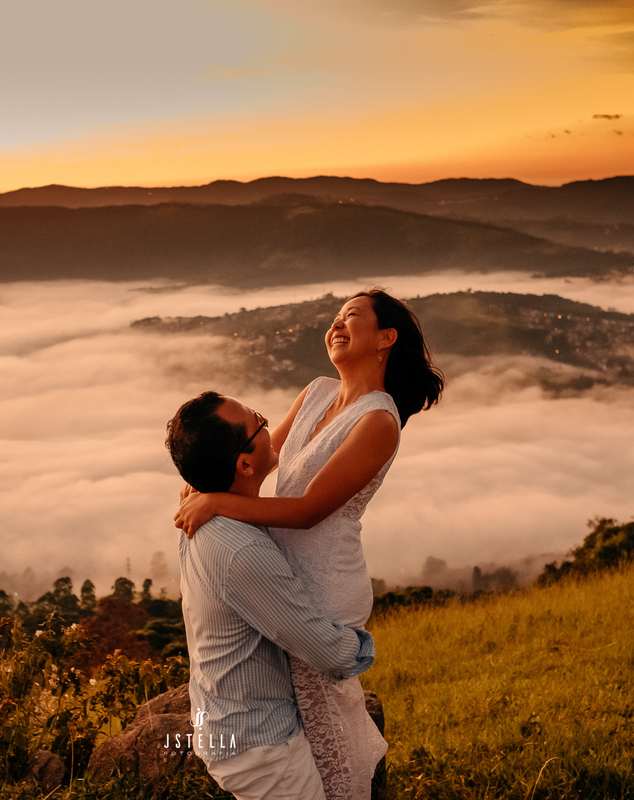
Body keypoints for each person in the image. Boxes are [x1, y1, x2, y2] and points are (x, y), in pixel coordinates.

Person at [174, 289, 444, 800]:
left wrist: (216, 504)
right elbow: (258, 455)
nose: (338, 324)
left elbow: (308, 511)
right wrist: (205, 479)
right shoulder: (317, 389)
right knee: (297, 725)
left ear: (385, 339)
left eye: (353, 318)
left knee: (329, 737)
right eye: (336, 316)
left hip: (324, 583)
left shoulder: (378, 422)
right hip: (277, 572)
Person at [165, 390, 376, 800]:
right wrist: (362, 644)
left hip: (223, 726)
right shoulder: (240, 549)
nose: (269, 425)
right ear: (244, 464)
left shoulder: (205, 507)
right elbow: (329, 653)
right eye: (259, 419)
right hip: (259, 748)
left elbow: (252, 454)